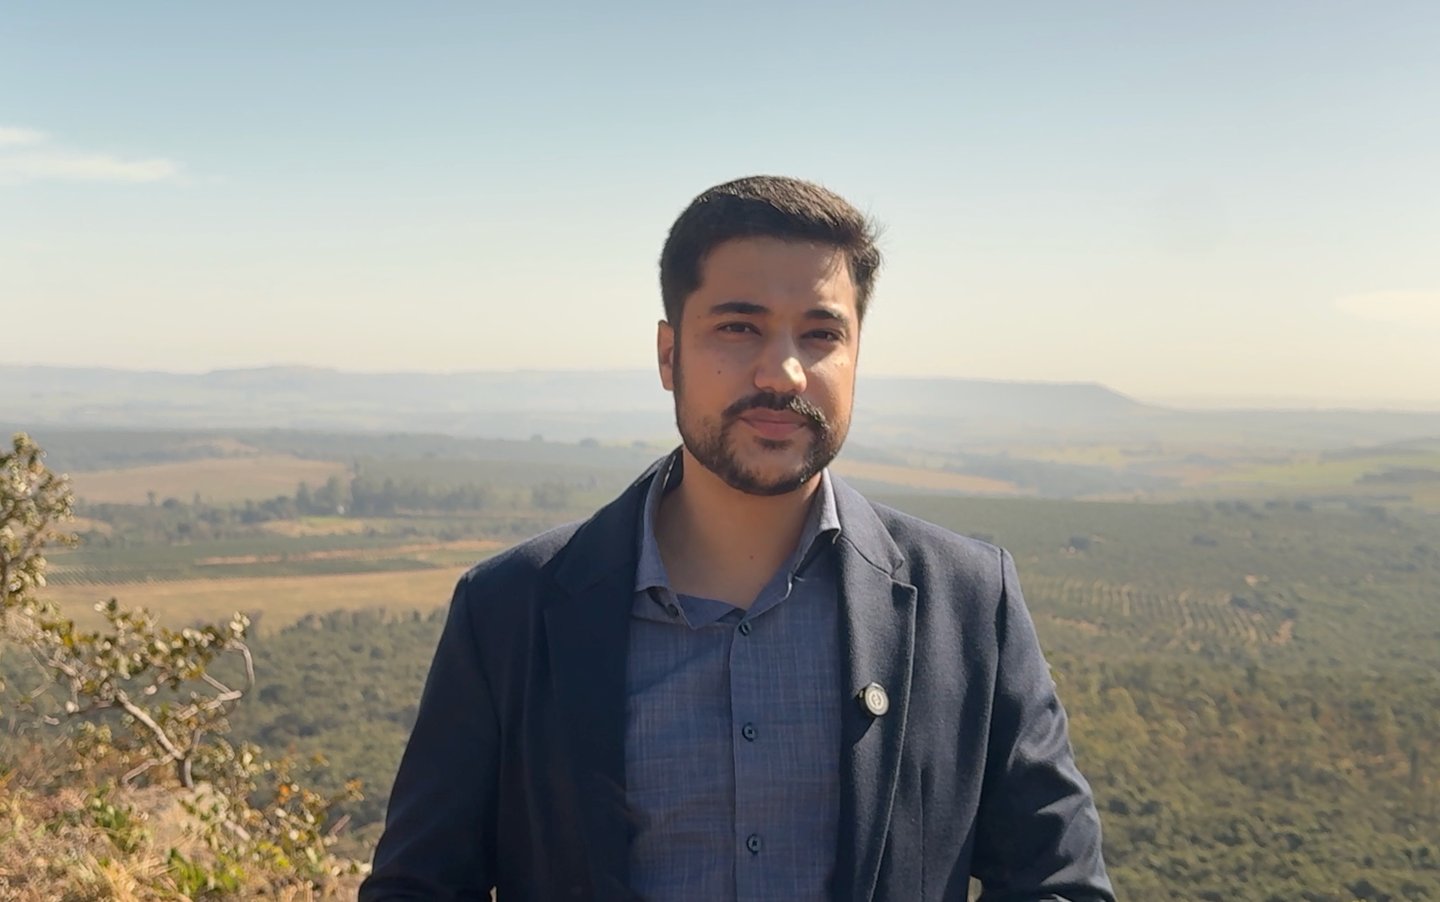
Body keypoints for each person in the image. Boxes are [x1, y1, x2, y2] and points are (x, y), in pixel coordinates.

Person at [359, 176, 1113, 901]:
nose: (784, 373)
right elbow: (418, 886)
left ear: (856, 357)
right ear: (668, 356)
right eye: (738, 327)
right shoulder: (509, 609)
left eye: (821, 334)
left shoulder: (970, 604)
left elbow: (1058, 884)